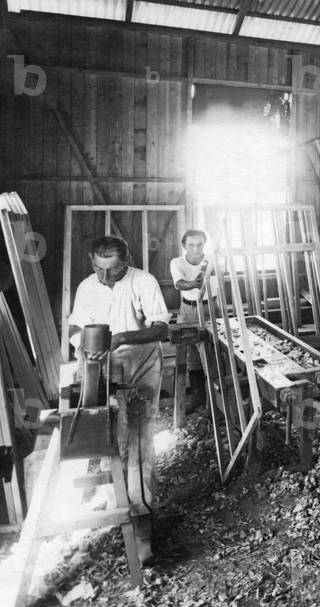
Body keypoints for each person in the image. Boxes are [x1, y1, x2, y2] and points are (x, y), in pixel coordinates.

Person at [68, 236, 170, 564]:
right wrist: (82, 346)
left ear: (127, 262)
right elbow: (75, 326)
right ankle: (117, 505)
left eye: (113, 271)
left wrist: (121, 337)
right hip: (104, 367)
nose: (105, 277)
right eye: (99, 269)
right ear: (91, 260)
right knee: (111, 438)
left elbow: (160, 328)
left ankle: (143, 530)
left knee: (139, 443)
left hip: (140, 364)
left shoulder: (144, 281)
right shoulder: (87, 287)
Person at [169, 229, 217, 398]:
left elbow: (221, 275)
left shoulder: (212, 259)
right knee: (191, 352)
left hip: (210, 307)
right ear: (184, 245)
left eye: (199, 244)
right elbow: (180, 284)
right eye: (191, 245)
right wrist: (194, 283)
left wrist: (215, 272)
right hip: (188, 309)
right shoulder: (177, 263)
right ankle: (199, 396)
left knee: (212, 351)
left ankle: (215, 397)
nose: (196, 249)